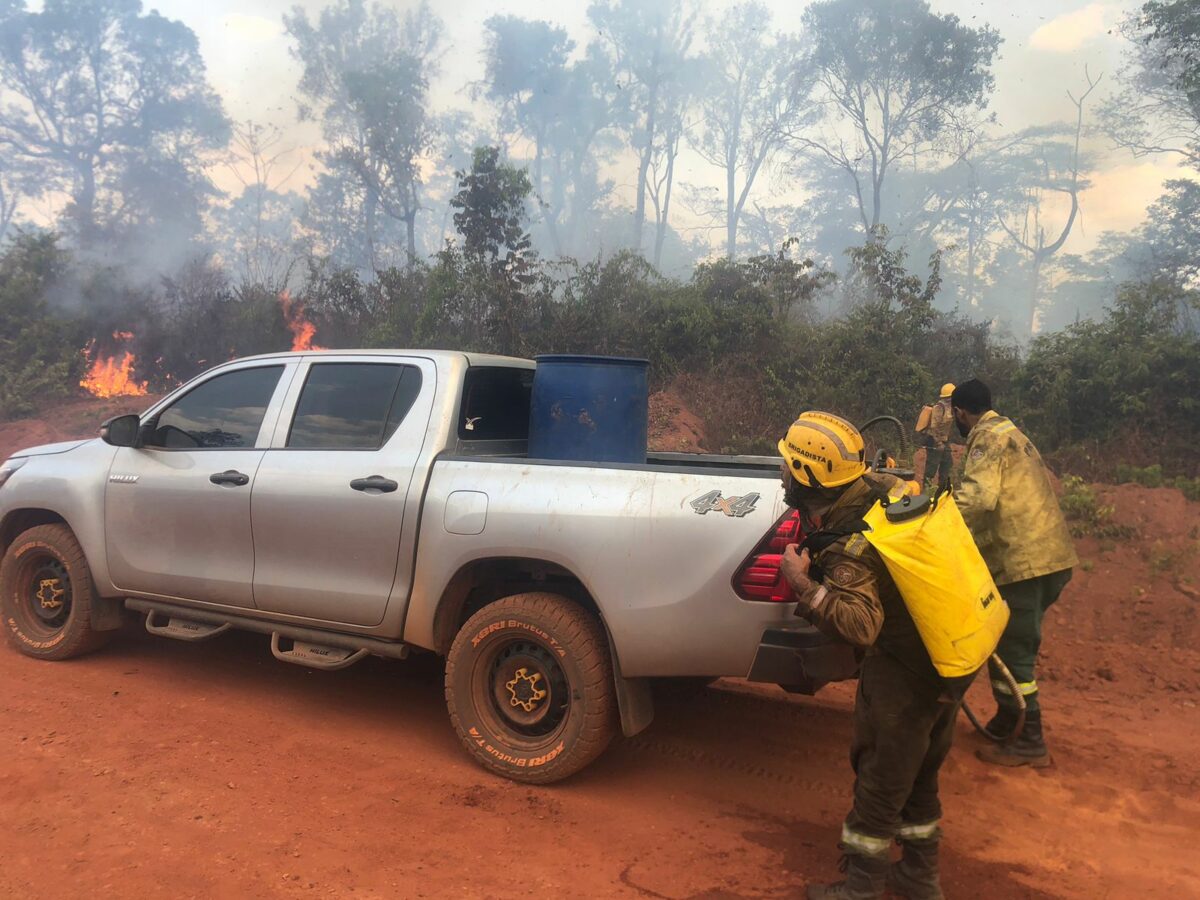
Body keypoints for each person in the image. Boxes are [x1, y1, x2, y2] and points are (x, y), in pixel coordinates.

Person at [778, 411, 957, 900]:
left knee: (880, 773)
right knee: (918, 769)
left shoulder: (851, 544)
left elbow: (861, 626)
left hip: (906, 669)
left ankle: (861, 889)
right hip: (948, 656)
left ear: (805, 477)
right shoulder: (882, 490)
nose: (781, 473)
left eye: (787, 466)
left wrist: (802, 584)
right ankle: (920, 878)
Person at [950, 379, 1077, 768]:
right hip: (1050, 557)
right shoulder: (1011, 431)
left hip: (1022, 564)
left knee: (1013, 653)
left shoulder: (986, 438)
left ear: (959, 413)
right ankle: (1009, 719)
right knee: (1005, 644)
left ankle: (1031, 740)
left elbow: (978, 498)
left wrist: (933, 518)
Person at [919, 384, 955, 488]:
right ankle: (926, 491)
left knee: (947, 464)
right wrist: (938, 443)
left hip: (944, 440)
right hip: (934, 440)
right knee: (932, 466)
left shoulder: (950, 407)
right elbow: (934, 427)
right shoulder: (939, 408)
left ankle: (942, 489)